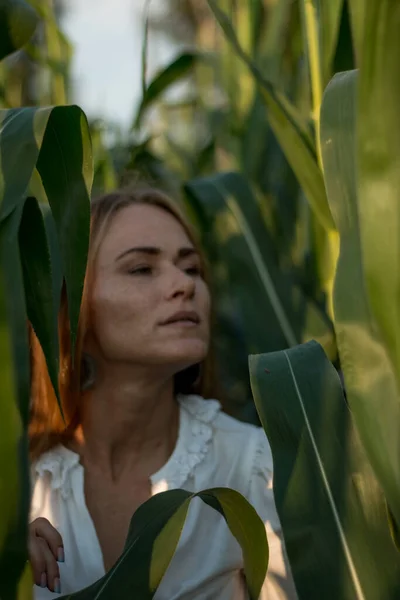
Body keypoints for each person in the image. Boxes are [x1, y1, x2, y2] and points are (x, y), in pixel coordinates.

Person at [28, 187, 297, 599]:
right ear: (74, 304)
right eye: (141, 269)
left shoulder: (254, 469)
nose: (184, 285)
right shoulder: (20, 485)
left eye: (191, 269)